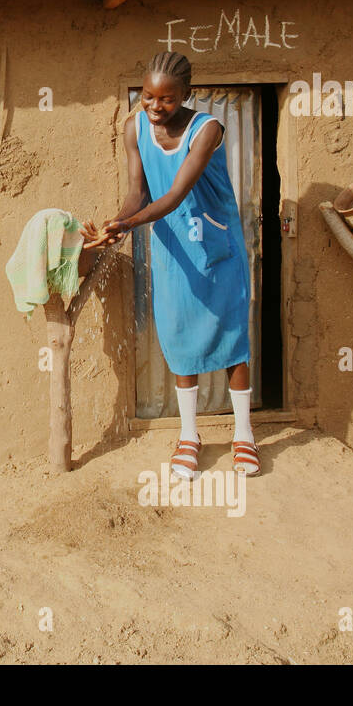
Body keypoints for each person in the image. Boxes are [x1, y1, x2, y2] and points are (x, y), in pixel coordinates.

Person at [84, 52, 257, 478]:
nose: (155, 108)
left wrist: (126, 223)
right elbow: (137, 192)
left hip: (216, 245)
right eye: (147, 97)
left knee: (232, 338)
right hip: (172, 248)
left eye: (166, 100)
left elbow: (175, 195)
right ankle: (189, 435)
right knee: (179, 338)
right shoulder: (133, 127)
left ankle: (244, 434)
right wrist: (117, 222)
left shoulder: (208, 130)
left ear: (186, 96)